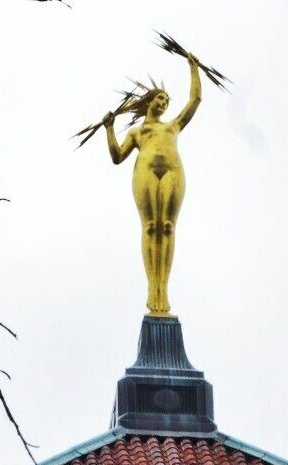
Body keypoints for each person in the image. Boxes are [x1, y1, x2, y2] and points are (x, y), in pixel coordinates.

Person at [103, 53, 202, 316]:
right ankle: (152, 288)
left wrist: (193, 68)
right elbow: (117, 157)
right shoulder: (137, 133)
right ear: (150, 101)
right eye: (161, 98)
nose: (165, 103)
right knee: (150, 226)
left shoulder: (173, 127)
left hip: (172, 170)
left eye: (168, 101)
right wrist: (109, 128)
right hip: (145, 170)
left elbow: (195, 100)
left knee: (167, 226)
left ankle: (164, 290)